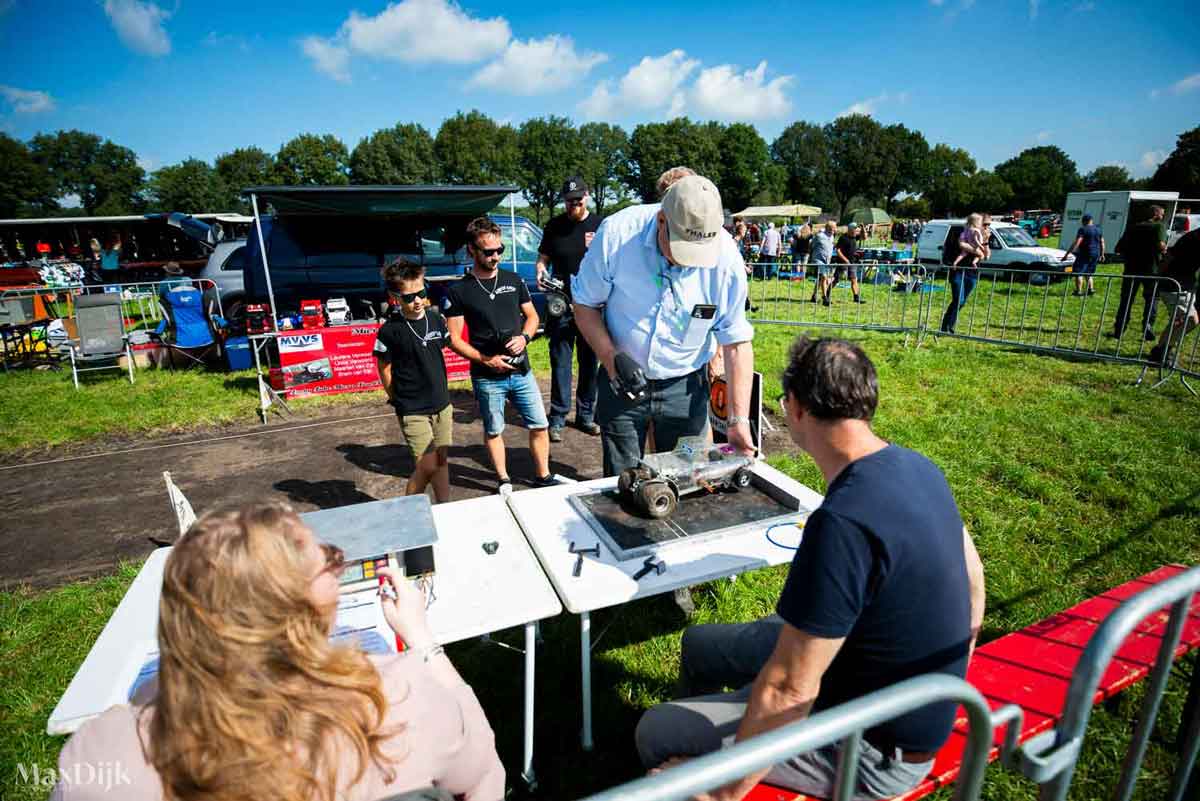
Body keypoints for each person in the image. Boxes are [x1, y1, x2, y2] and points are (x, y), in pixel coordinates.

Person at [635, 336, 986, 801]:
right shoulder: (917, 467)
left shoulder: (842, 523)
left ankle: (706, 753)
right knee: (700, 643)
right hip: (884, 690)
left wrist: (720, 790)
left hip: (871, 751)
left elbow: (788, 688)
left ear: (796, 409)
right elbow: (974, 577)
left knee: (655, 730)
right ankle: (721, 721)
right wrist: (955, 662)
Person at [51, 502, 504, 801]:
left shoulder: (100, 757)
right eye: (328, 557)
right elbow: (485, 779)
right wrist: (421, 639)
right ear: (304, 609)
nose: (336, 559)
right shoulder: (400, 698)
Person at [572, 174, 756, 479]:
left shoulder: (726, 258)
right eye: (681, 249)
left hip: (686, 388)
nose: (687, 264)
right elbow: (584, 305)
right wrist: (611, 358)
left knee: (688, 476)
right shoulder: (617, 235)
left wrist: (738, 420)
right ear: (661, 220)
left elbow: (736, 341)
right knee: (624, 481)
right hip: (622, 385)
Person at [443, 216, 553, 492]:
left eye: (499, 250)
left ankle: (544, 476)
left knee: (540, 425)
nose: (495, 256)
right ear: (472, 250)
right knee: (494, 430)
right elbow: (453, 339)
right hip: (487, 376)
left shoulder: (513, 280)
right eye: (488, 252)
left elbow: (532, 316)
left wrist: (525, 337)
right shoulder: (459, 291)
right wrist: (484, 359)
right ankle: (503, 478)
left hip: (522, 372)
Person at [375, 259, 452, 503]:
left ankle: (446, 508)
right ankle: (405, 512)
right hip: (412, 408)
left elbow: (446, 347)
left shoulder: (436, 319)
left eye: (421, 293)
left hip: (442, 404)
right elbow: (384, 368)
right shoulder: (390, 330)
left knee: (441, 461)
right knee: (427, 465)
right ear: (394, 297)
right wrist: (396, 398)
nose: (417, 300)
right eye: (409, 297)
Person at [535, 176, 603, 443]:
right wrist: (540, 270)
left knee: (589, 362)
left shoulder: (600, 225)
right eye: (569, 201)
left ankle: (586, 416)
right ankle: (558, 418)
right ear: (563, 201)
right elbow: (543, 258)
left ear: (586, 197)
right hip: (560, 304)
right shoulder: (554, 225)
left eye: (578, 200)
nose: (573, 205)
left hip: (591, 305)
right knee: (560, 362)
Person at [1112, 205, 1168, 341]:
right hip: (1151, 270)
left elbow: (1118, 248)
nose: (1163, 216)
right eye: (1162, 214)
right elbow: (1162, 246)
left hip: (1131, 269)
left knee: (1126, 300)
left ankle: (1119, 329)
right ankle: (1147, 325)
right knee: (1152, 299)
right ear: (1155, 214)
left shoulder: (1132, 227)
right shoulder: (1158, 227)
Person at [1149, 227, 1200, 365]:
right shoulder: (1194, 237)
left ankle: (1164, 350)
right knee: (1188, 319)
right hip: (1174, 285)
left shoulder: (1192, 236)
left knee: (1182, 320)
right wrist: (1158, 278)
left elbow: (1169, 255)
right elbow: (1169, 257)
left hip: (1184, 285)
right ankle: (1160, 352)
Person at [941, 214, 991, 334]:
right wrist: (979, 250)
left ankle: (948, 326)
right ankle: (946, 327)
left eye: (989, 225)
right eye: (985, 224)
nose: (987, 227)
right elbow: (963, 246)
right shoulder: (964, 233)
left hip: (972, 272)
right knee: (958, 299)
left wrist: (985, 242)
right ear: (976, 223)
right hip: (958, 270)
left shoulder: (983, 237)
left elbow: (987, 256)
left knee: (962, 301)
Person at [1063, 213, 1105, 296]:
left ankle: (1078, 291)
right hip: (1095, 253)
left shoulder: (1083, 229)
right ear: (1091, 220)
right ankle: (1091, 289)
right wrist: (1102, 254)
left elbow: (1078, 242)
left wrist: (1068, 254)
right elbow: (1102, 242)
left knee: (1079, 272)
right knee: (1089, 272)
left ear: (1084, 221)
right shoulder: (1098, 229)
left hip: (1085, 253)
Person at [827, 222, 863, 305]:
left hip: (852, 262)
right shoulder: (843, 238)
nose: (856, 230)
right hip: (842, 262)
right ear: (850, 229)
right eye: (854, 229)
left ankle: (856, 297)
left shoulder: (855, 237)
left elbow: (864, 237)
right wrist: (845, 260)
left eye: (856, 229)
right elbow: (838, 251)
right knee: (837, 279)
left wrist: (863, 228)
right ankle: (827, 292)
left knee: (854, 279)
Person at [809, 221, 836, 303]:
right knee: (824, 277)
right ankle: (825, 298)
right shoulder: (819, 236)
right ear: (828, 228)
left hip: (827, 260)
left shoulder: (832, 237)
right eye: (834, 227)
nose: (835, 229)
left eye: (835, 228)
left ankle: (814, 296)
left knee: (820, 279)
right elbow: (811, 245)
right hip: (818, 260)